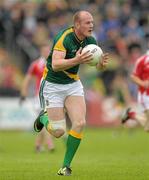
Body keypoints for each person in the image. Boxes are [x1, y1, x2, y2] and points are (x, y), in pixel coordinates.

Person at [34, 10, 109, 176]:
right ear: (77, 25)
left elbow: (95, 65)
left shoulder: (91, 40)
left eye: (92, 22)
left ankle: (65, 166)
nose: (92, 25)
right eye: (88, 22)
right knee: (58, 131)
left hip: (72, 83)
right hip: (52, 85)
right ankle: (42, 117)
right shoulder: (64, 38)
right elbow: (55, 64)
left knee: (80, 123)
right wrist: (77, 60)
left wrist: (101, 64)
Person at [20, 43, 55, 152]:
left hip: (52, 96)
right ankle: (50, 144)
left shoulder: (54, 63)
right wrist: (23, 93)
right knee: (46, 120)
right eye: (44, 51)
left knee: (46, 120)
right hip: (39, 97)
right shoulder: (36, 64)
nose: (46, 53)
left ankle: (38, 145)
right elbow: (27, 79)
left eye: (48, 51)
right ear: (41, 52)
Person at [121, 50, 149, 132]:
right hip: (146, 96)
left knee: (148, 127)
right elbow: (133, 76)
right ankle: (132, 115)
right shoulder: (142, 60)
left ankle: (132, 115)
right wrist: (143, 83)